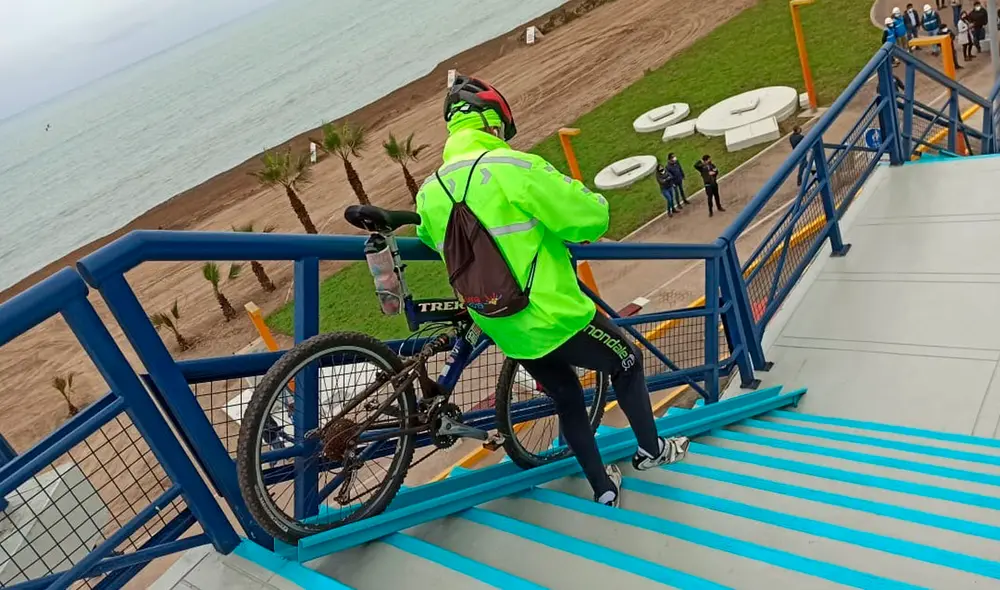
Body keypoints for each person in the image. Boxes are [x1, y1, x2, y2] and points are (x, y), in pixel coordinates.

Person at [415, 75, 690, 508]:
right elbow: (589, 218)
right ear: (492, 123)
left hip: (502, 322)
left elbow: (431, 239)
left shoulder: (430, 190)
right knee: (628, 362)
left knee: (566, 396)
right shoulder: (514, 167)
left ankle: (603, 487)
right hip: (556, 315)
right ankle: (652, 450)